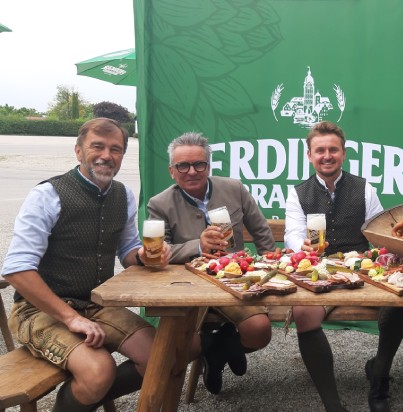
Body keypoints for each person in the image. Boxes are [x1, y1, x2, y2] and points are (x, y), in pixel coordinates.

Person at [1, 118, 171, 411]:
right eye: (98, 146)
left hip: (94, 302)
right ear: (78, 151)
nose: (107, 155)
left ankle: (84, 398)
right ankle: (89, 391)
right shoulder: (48, 195)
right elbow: (17, 269)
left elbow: (127, 250)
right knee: (99, 371)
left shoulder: (123, 194)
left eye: (115, 149)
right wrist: (70, 318)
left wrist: (144, 256)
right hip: (37, 310)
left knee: (160, 356)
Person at [285, 121, 403, 412]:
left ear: (343, 153)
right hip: (320, 270)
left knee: (400, 299)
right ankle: (333, 405)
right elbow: (293, 235)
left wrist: (386, 253)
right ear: (309, 155)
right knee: (303, 313)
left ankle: (379, 376)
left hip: (363, 270)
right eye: (320, 150)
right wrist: (300, 246)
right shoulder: (298, 193)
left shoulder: (364, 189)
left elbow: (379, 233)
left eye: (333, 150)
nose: (327, 155)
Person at [147, 131, 276, 395]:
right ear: (172, 171)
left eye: (199, 164)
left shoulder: (234, 188)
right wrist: (197, 246)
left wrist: (273, 270)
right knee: (185, 349)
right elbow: (158, 252)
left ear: (209, 166)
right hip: (190, 286)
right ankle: (211, 350)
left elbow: (261, 232)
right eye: (183, 165)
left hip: (235, 280)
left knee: (259, 331)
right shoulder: (159, 204)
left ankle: (219, 351)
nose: (192, 171)